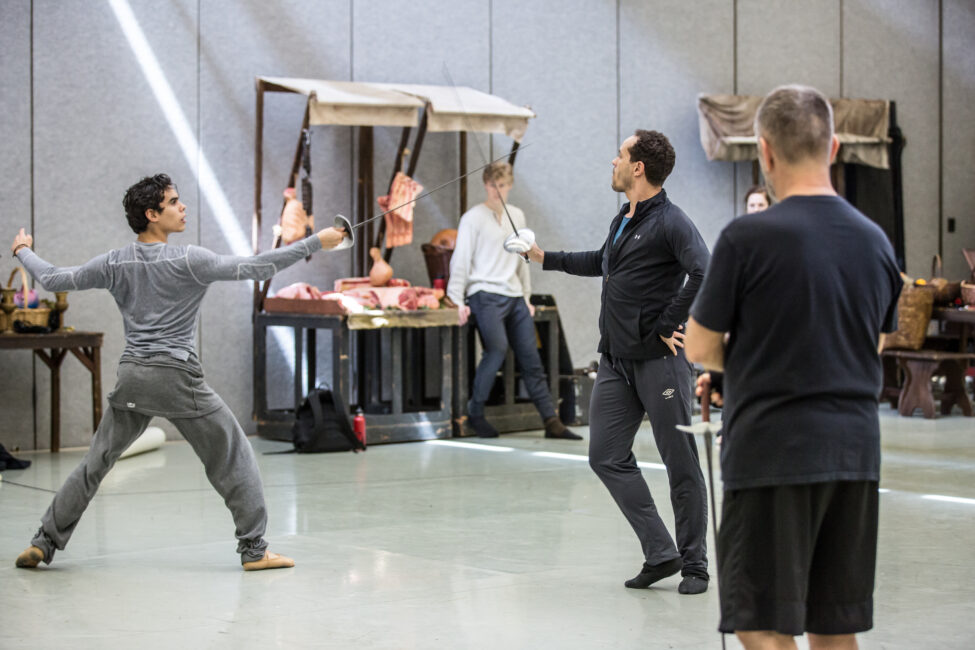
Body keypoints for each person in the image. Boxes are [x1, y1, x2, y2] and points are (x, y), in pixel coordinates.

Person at [11, 173, 347, 571]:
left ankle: (44, 541)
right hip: (177, 377)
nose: (183, 206)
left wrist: (22, 250)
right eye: (173, 202)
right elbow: (258, 267)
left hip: (133, 377)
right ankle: (254, 550)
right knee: (234, 455)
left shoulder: (115, 261)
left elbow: (52, 277)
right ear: (152, 214)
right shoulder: (191, 260)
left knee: (95, 463)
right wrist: (317, 242)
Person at [685, 85, 902, 648]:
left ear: (766, 152)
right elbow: (870, 346)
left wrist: (749, 361)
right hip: (855, 455)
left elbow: (700, 347)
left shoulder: (746, 238)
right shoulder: (877, 242)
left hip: (773, 454)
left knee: (761, 624)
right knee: (836, 627)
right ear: (832, 148)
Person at [526, 130, 711, 594]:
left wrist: (670, 321)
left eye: (621, 155)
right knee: (605, 455)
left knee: (679, 461)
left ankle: (695, 564)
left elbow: (705, 269)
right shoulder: (623, 218)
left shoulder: (672, 221)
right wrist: (542, 257)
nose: (613, 160)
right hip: (616, 361)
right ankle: (660, 552)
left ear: (638, 168)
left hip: (659, 362)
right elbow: (601, 262)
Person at [447, 162, 580, 440]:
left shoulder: (517, 216)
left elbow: (524, 258)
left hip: (514, 294)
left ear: (510, 186)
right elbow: (461, 259)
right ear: (486, 185)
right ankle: (475, 413)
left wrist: (527, 296)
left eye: (503, 185)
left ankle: (551, 421)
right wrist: (456, 299)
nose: (498, 190)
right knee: (496, 349)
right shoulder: (472, 218)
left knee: (531, 358)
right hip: (484, 293)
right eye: (493, 185)